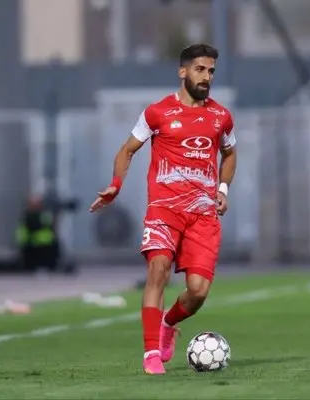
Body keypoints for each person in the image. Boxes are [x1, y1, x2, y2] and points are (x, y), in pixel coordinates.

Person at [89, 43, 237, 375]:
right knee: (158, 269)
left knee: (197, 292)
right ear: (183, 71)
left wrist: (222, 189)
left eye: (211, 71)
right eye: (200, 69)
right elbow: (127, 150)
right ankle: (151, 354)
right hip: (164, 210)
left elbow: (230, 154)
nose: (206, 77)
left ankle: (168, 323)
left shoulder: (221, 117)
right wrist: (116, 184)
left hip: (203, 216)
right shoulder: (157, 113)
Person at [15, 195, 60, 272]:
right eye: (33, 204)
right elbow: (21, 237)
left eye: (37, 204)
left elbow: (51, 234)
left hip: (46, 250)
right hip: (31, 250)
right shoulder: (26, 219)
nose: (36, 206)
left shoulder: (45, 217)